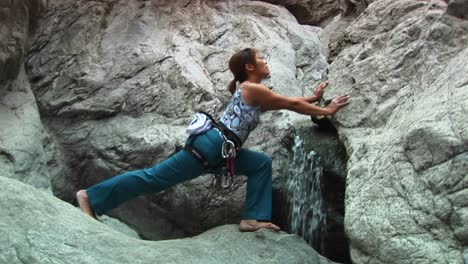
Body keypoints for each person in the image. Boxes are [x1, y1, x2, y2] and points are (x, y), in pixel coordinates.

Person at [76, 48, 349, 232]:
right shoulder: (253, 88)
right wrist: (325, 110)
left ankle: (253, 218)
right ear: (250, 67)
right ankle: (90, 197)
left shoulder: (252, 91)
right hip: (211, 147)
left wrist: (314, 98)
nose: (267, 61)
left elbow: (287, 102)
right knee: (153, 178)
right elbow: (289, 104)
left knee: (260, 164)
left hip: (222, 150)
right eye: (262, 58)